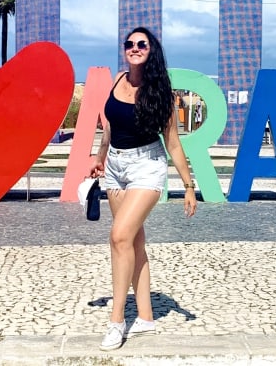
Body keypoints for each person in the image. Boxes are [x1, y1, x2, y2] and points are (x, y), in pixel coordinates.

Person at [89, 27, 197, 351]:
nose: (134, 48)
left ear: (152, 51)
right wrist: (100, 156)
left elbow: (173, 144)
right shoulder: (118, 80)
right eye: (130, 44)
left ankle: (117, 320)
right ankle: (146, 317)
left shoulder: (161, 93)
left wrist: (188, 186)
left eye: (142, 44)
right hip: (115, 167)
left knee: (119, 237)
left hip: (146, 166)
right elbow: (110, 127)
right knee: (133, 241)